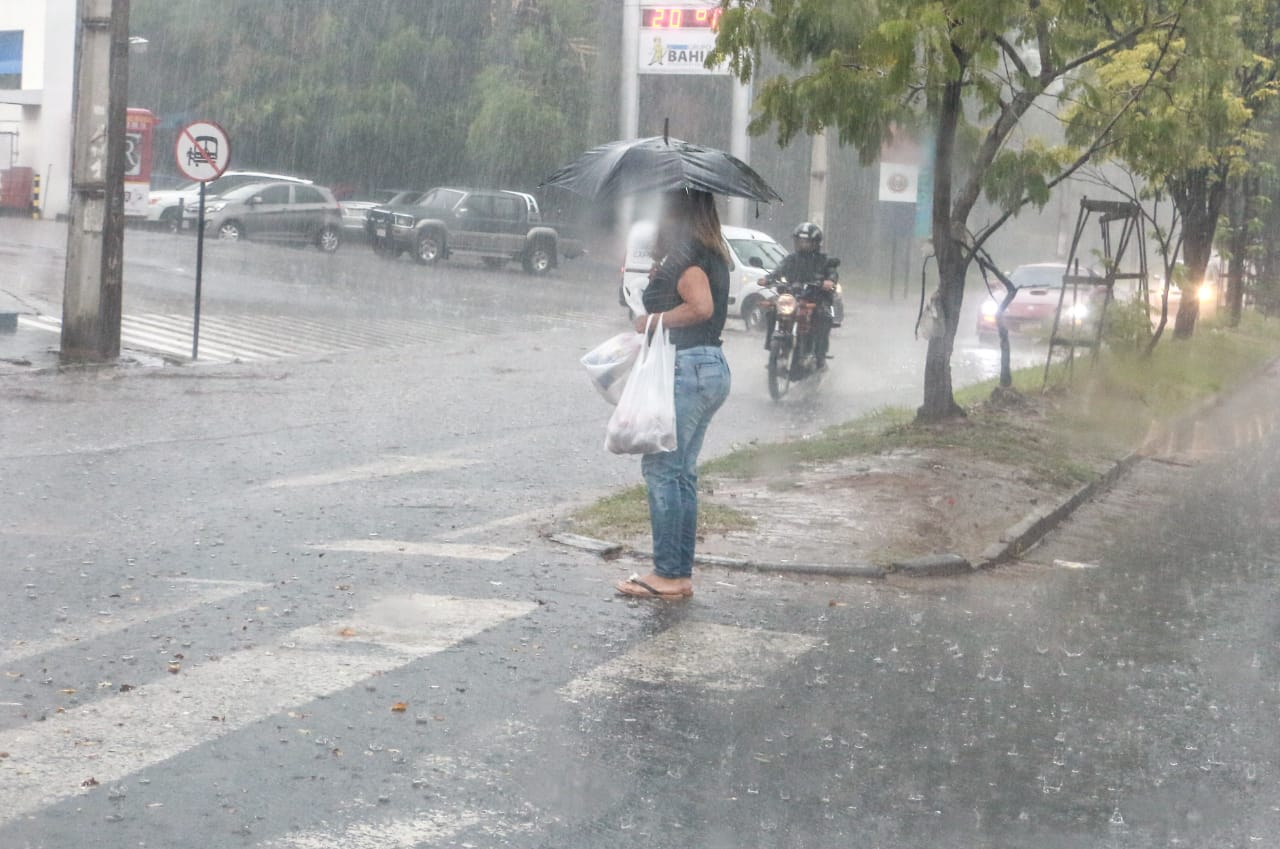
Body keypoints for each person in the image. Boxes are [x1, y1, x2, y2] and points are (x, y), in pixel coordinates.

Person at [615, 188, 733, 601]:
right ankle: (677, 573)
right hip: (708, 365)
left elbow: (699, 307)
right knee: (681, 472)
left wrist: (652, 319)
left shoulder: (689, 253)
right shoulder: (709, 251)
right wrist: (661, 282)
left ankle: (668, 573)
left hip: (688, 366)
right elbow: (701, 301)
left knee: (663, 470)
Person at [761, 221, 840, 368]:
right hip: (793, 296)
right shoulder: (791, 259)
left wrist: (829, 281)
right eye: (800, 241)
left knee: (823, 316)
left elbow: (832, 273)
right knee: (773, 310)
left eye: (806, 242)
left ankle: (819, 355)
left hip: (815, 297)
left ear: (815, 243)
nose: (802, 245)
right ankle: (773, 347)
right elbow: (779, 270)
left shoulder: (823, 260)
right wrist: (768, 279)